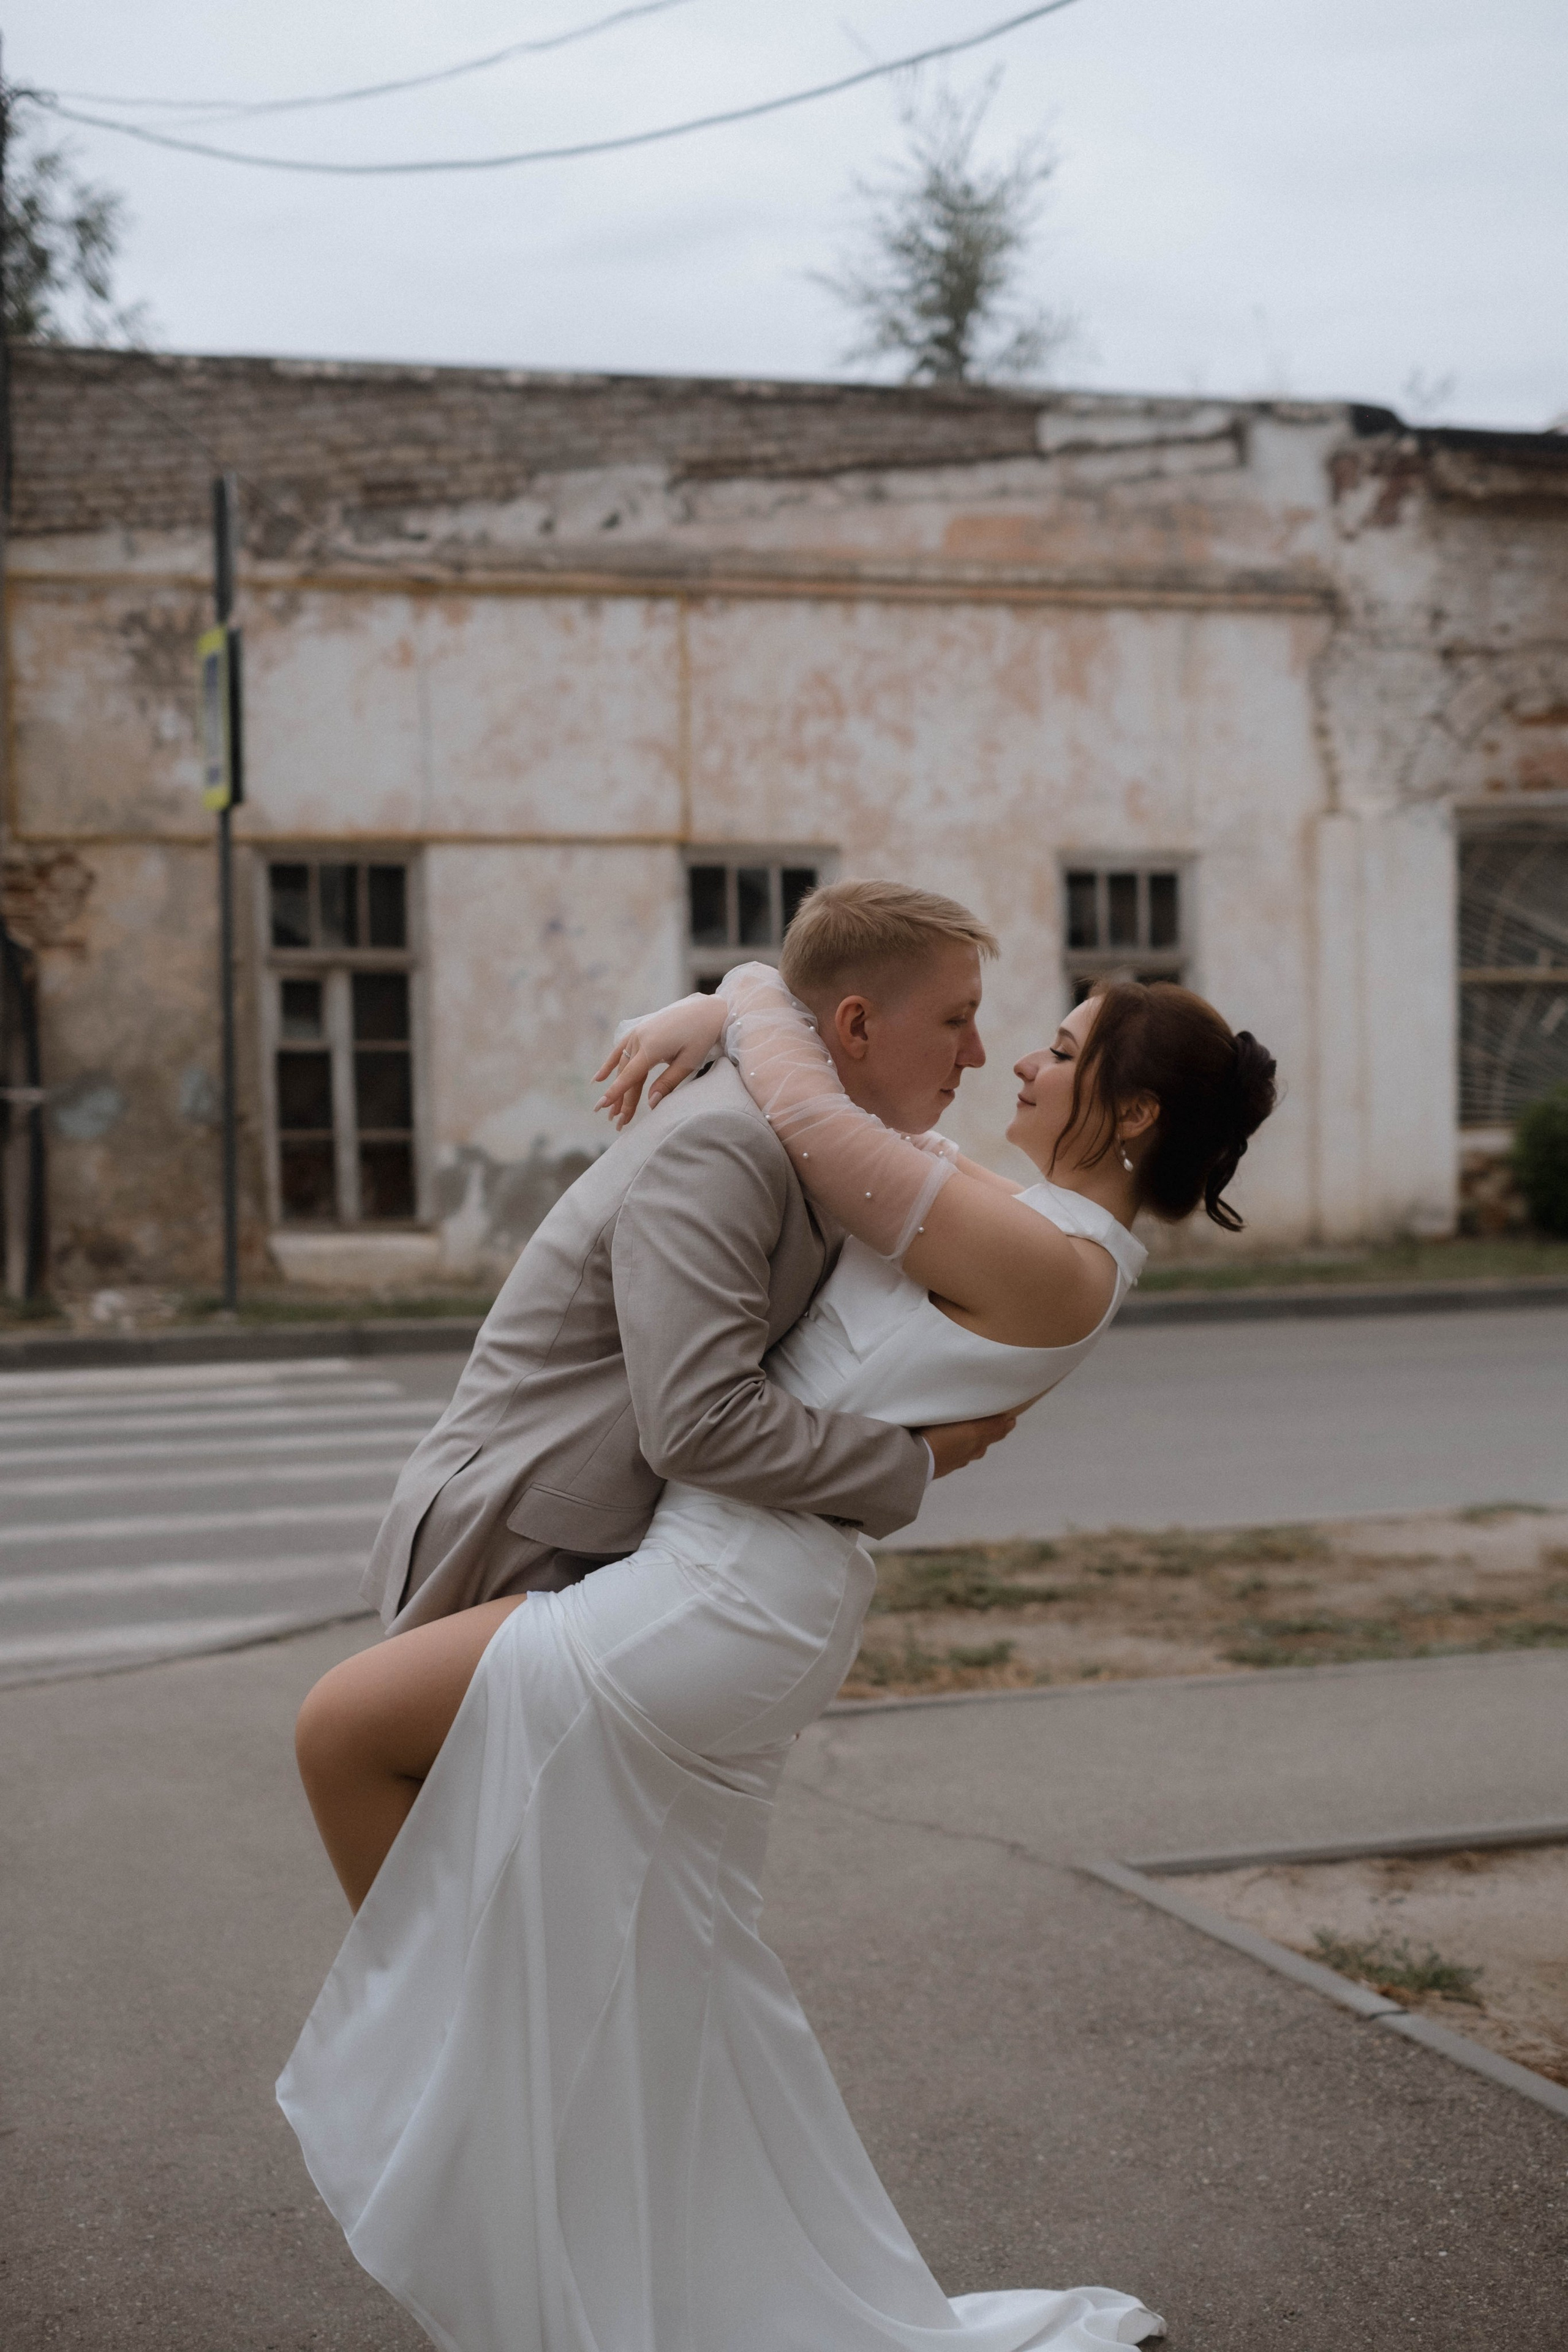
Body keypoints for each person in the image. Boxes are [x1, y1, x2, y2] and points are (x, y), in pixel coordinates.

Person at [279, 880, 1277, 2351]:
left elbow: (815, 1119)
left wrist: (739, 994)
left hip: (728, 1593)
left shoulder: (1049, 1259)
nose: (1013, 1057)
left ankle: (474, 2079)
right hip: (746, 1580)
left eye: (1060, 1050)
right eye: (995, 1027)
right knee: (677, 1966)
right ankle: (684, 2266)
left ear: (1129, 1115)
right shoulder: (1020, 1216)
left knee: (347, 1731)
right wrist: (741, 999)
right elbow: (840, 1109)